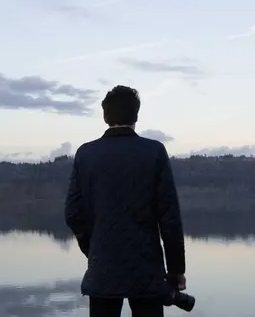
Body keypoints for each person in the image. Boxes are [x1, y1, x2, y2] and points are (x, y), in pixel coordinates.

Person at [65, 85, 187, 317]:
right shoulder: (154, 151)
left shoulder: (86, 154)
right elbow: (169, 218)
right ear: (136, 115)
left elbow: (73, 214)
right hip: (147, 271)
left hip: (102, 269)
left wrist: (95, 249)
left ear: (105, 116)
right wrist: (176, 270)